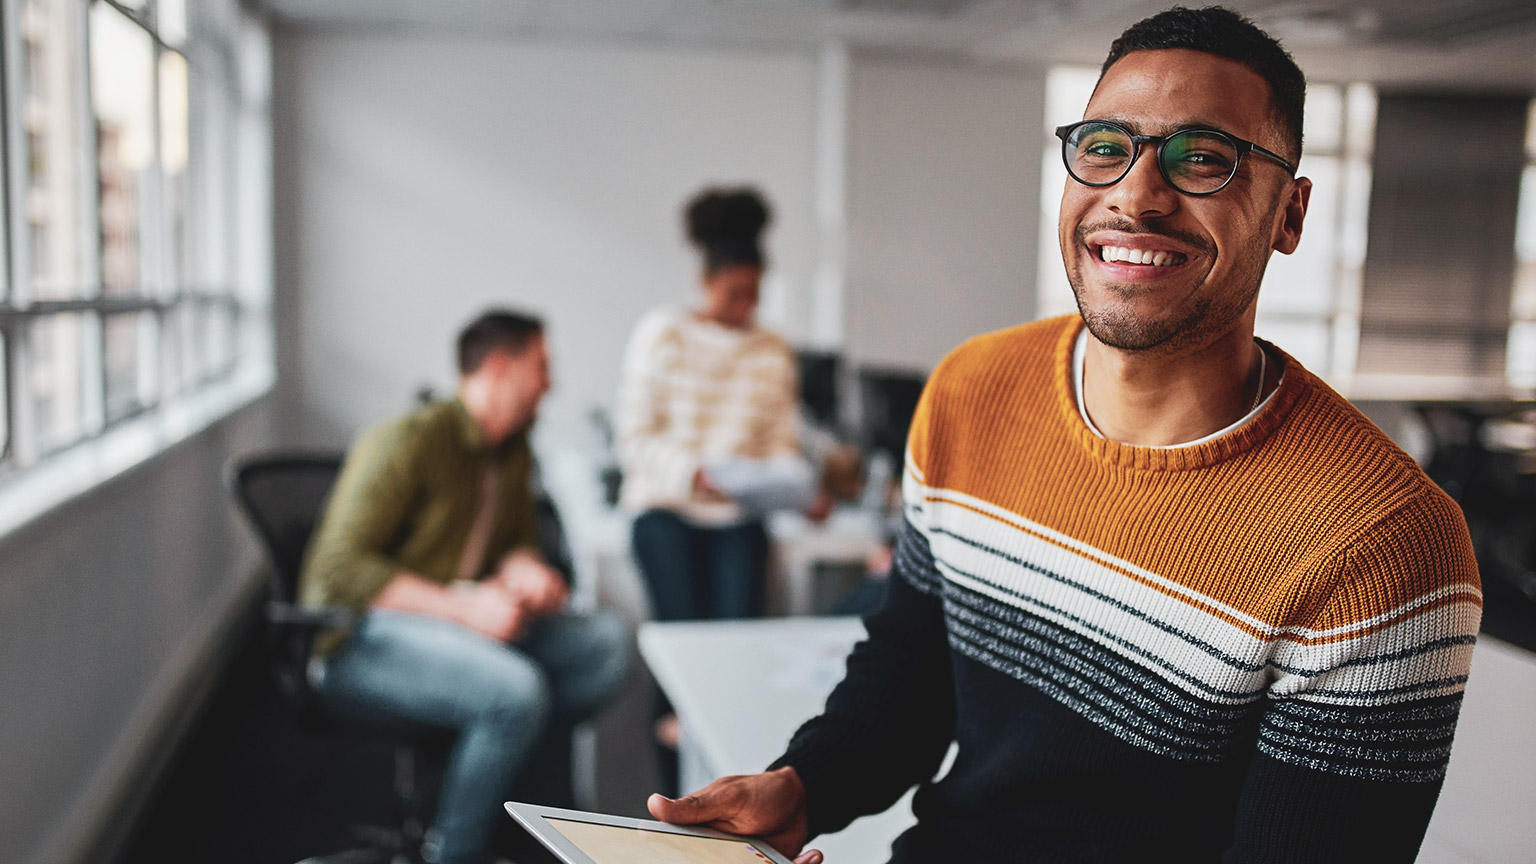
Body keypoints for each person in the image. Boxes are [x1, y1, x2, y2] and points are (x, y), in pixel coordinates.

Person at [647, 8, 1483, 864]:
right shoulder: (971, 391)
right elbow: (914, 665)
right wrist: (806, 785)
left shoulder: (1385, 548)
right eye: (1105, 146)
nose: (1136, 195)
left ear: (1289, 214)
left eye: (1203, 159)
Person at [300, 309, 629, 864]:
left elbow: (517, 539)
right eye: (541, 366)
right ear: (500, 367)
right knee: (515, 692)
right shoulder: (408, 439)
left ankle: (523, 806)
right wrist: (463, 609)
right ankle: (455, 851)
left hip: (460, 624)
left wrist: (525, 568)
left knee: (607, 643)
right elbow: (336, 569)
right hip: (361, 635)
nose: (551, 384)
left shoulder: (513, 447)